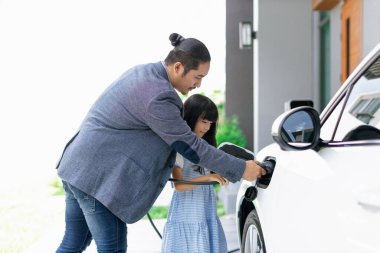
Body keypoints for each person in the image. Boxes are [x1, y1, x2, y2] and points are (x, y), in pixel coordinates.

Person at [55, 33, 266, 253]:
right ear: (177, 67)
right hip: (96, 179)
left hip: (77, 167)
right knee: (112, 248)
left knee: (74, 242)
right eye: (197, 76)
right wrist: (241, 168)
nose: (199, 84)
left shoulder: (144, 74)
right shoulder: (159, 95)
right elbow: (190, 145)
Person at [161, 94, 229, 253]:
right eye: (204, 121)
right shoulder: (180, 147)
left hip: (205, 208)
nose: (207, 127)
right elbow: (178, 185)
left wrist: (219, 174)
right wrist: (209, 177)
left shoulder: (204, 145)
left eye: (210, 123)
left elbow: (208, 172)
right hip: (187, 210)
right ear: (191, 117)